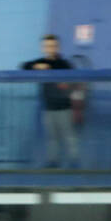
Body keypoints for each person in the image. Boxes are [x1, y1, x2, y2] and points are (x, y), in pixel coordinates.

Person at [21, 34, 77, 168]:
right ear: (43, 48)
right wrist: (36, 66)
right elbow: (24, 66)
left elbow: (72, 81)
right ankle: (53, 163)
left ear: (57, 47)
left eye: (53, 46)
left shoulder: (65, 64)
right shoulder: (41, 62)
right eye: (47, 46)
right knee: (52, 138)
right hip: (49, 107)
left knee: (69, 137)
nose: (50, 48)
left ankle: (74, 163)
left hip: (64, 107)